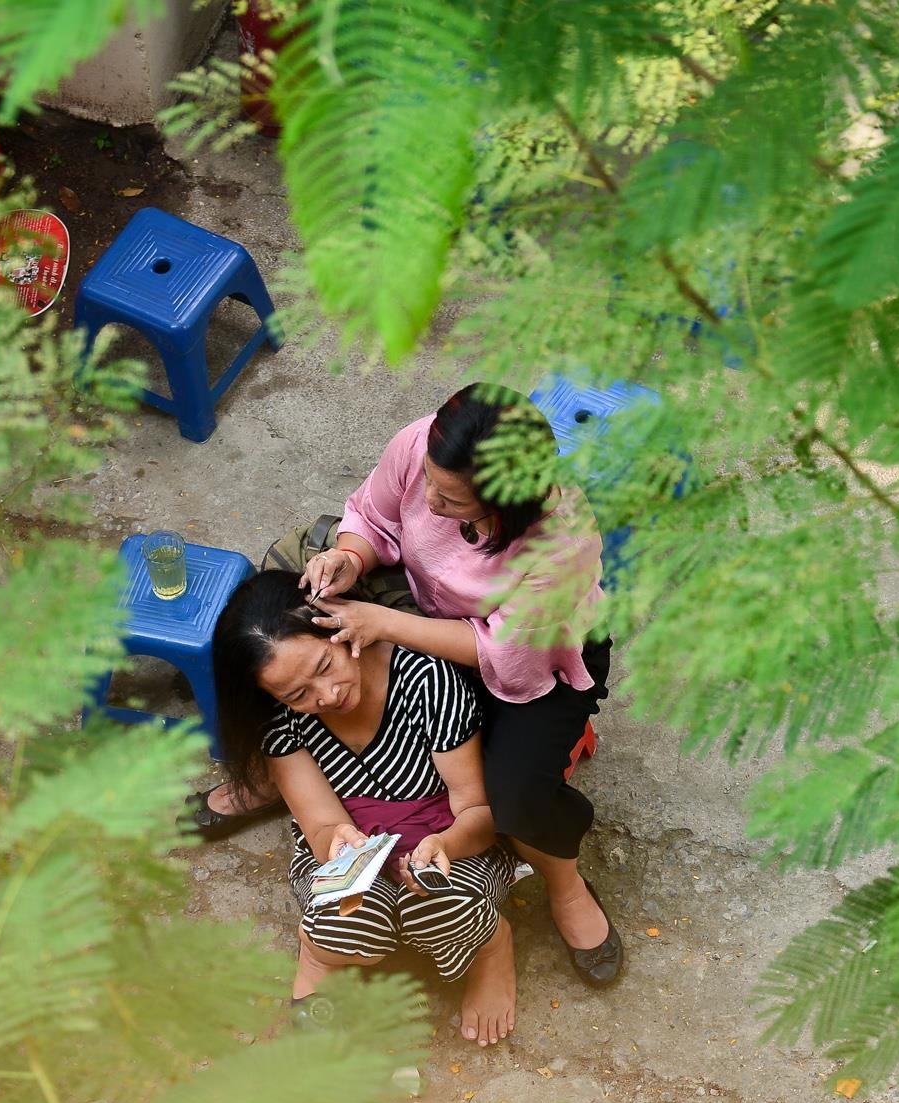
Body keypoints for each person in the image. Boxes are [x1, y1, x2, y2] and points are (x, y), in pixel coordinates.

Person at [195, 383, 624, 986]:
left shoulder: (562, 543)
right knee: (273, 629)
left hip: (529, 657)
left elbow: (506, 654)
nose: (430, 500)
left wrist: (384, 623)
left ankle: (565, 883)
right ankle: (283, 771)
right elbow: (373, 515)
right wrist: (350, 557)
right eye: (429, 480)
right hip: (423, 605)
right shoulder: (423, 446)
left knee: (515, 795)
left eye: (452, 502)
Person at [213, 570, 521, 1045]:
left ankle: (491, 947)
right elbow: (319, 825)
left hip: (451, 847)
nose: (327, 694)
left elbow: (478, 816)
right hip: (355, 855)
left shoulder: (427, 681)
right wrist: (333, 841)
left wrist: (445, 844)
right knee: (346, 920)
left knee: (440, 907)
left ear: (339, 628)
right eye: (298, 695)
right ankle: (317, 955)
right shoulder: (278, 722)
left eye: (324, 664)